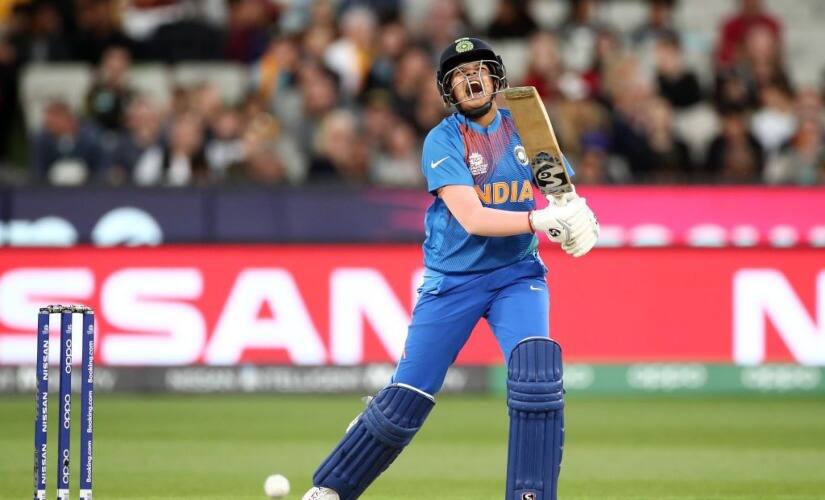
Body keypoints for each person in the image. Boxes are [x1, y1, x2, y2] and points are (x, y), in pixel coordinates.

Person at [301, 37, 599, 500]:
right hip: (453, 281)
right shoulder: (442, 139)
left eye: (479, 68)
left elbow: (561, 191)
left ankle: (532, 495)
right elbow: (473, 217)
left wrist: (575, 216)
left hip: (518, 276)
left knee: (537, 375)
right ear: (449, 90)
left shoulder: (526, 127)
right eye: (460, 74)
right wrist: (542, 219)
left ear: (495, 77)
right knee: (406, 402)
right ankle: (331, 488)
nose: (471, 77)